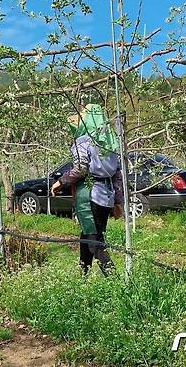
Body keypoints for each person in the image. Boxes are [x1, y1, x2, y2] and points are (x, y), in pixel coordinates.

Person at [50, 104, 124, 276]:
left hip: (90, 194)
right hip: (106, 196)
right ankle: (83, 274)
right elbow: (117, 175)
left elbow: (82, 167)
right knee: (87, 235)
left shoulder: (84, 140)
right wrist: (118, 201)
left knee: (93, 239)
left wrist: (61, 182)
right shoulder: (111, 141)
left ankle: (114, 278)